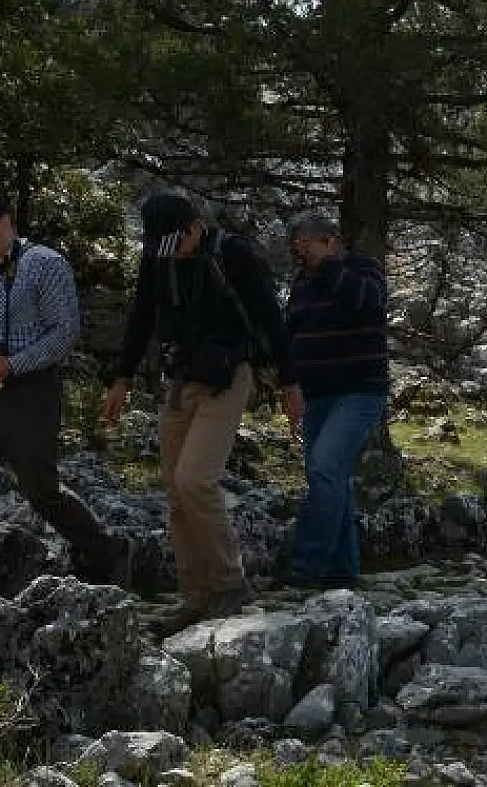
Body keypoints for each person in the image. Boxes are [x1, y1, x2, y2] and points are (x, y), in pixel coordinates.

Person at [102, 193, 301, 635]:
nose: (172, 251)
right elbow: (142, 315)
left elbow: (271, 318)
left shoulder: (234, 255)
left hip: (229, 377)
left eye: (179, 241)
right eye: (163, 244)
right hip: (180, 379)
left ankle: (231, 585)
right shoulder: (159, 254)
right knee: (175, 491)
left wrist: (290, 384)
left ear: (195, 226)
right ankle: (196, 596)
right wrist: (123, 378)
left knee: (196, 478)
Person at [0, 192, 133, 589]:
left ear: (6, 224)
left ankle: (105, 551)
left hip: (29, 392)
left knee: (40, 490)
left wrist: (13, 363)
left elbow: (64, 333)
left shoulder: (45, 265)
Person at [280, 209, 390, 590]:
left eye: (306, 247)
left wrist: (327, 268)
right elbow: (291, 332)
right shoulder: (301, 283)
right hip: (316, 396)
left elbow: (368, 302)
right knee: (331, 479)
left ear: (329, 241)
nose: (301, 256)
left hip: (359, 391)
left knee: (325, 467)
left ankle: (307, 566)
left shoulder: (362, 269)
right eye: (297, 249)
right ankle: (344, 569)